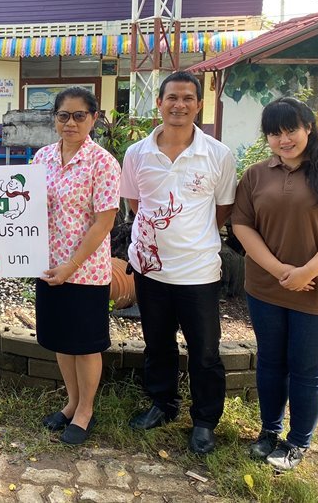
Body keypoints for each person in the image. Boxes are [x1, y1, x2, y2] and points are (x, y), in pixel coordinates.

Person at [119, 71, 236, 454]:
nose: (179, 105)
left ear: (199, 105)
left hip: (198, 271)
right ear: (160, 103)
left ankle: (204, 420)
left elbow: (222, 210)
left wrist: (192, 237)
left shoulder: (218, 155)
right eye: (172, 97)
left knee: (204, 351)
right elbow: (137, 206)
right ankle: (162, 404)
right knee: (157, 344)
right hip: (151, 269)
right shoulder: (137, 153)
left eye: (188, 98)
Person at [232, 97, 318, 471]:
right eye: (274, 133)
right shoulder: (256, 175)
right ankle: (269, 431)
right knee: (271, 362)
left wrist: (307, 271)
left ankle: (298, 442)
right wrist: (281, 270)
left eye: (291, 129)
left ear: (309, 127)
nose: (284, 139)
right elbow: (242, 225)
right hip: (266, 287)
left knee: (307, 368)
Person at [32, 87, 120, 446]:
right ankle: (71, 403)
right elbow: (27, 209)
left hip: (85, 271)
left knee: (84, 344)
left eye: (79, 115)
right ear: (54, 119)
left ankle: (86, 410)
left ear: (93, 118)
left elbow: (104, 223)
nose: (70, 123)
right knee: (61, 340)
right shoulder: (42, 158)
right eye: (63, 115)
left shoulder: (103, 163)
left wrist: (71, 265)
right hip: (48, 267)